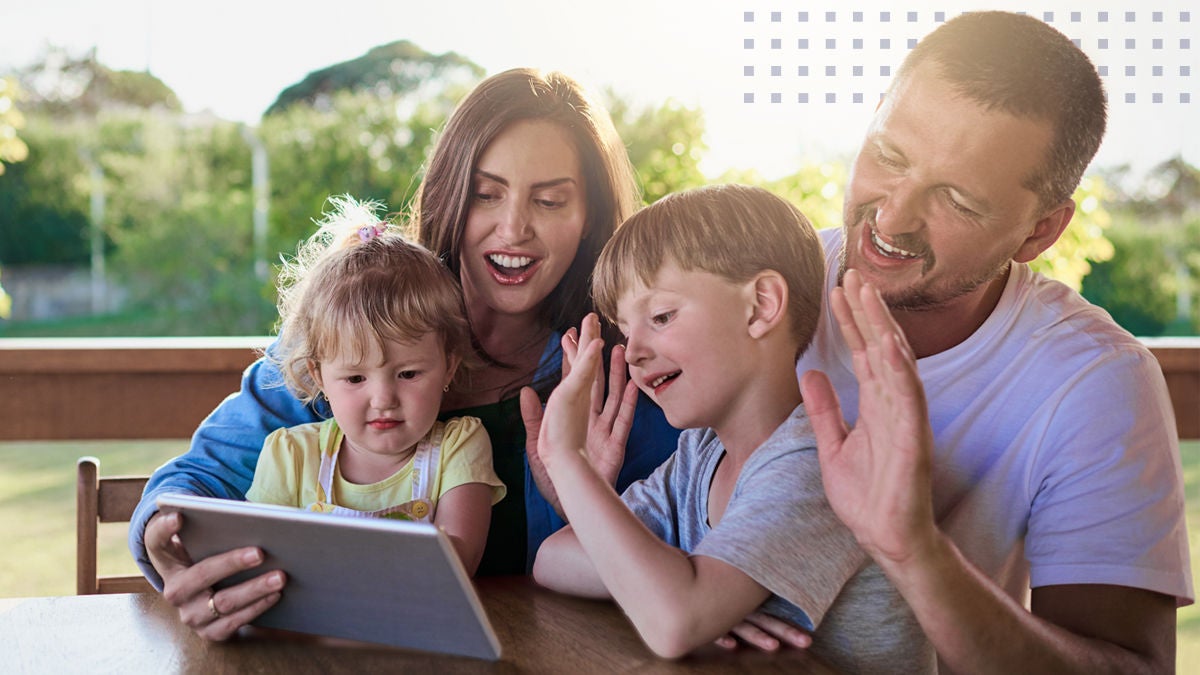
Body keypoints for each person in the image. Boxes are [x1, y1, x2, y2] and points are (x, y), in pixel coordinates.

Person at [129, 68, 680, 641]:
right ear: (448, 195)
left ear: (591, 219)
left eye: (549, 200)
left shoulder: (627, 373)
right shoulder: (354, 324)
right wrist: (171, 549)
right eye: (486, 194)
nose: (514, 228)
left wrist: (584, 502)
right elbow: (192, 483)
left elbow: (713, 519)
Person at [736, 11, 1192, 671]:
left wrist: (914, 552)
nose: (891, 216)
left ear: (1040, 232)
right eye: (888, 155)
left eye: (957, 199)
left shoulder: (1096, 382)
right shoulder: (755, 287)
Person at [530, 184, 935, 672]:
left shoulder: (813, 464)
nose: (633, 350)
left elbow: (675, 622)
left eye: (661, 316)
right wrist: (690, 591)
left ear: (761, 305)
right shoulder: (699, 456)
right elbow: (552, 559)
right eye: (625, 327)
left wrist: (565, 457)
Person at [245, 195, 505, 575]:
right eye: (354, 378)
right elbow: (260, 566)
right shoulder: (291, 458)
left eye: (408, 374)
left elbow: (456, 566)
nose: (384, 399)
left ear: (449, 368)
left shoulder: (457, 448)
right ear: (319, 377)